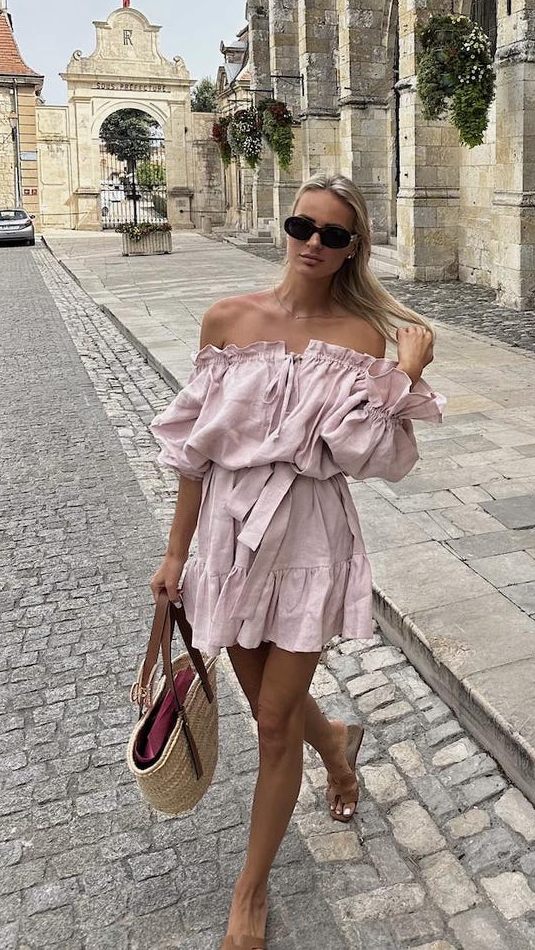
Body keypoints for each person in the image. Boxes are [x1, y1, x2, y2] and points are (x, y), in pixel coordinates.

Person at [149, 172, 443, 950]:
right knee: (268, 708)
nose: (313, 242)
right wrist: (176, 552)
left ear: (353, 249)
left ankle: (250, 892)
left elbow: (367, 455)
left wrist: (404, 377)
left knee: (275, 722)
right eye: (302, 225)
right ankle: (337, 746)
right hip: (230, 537)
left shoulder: (361, 336)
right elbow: (194, 450)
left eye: (333, 234)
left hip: (309, 534)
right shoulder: (227, 318)